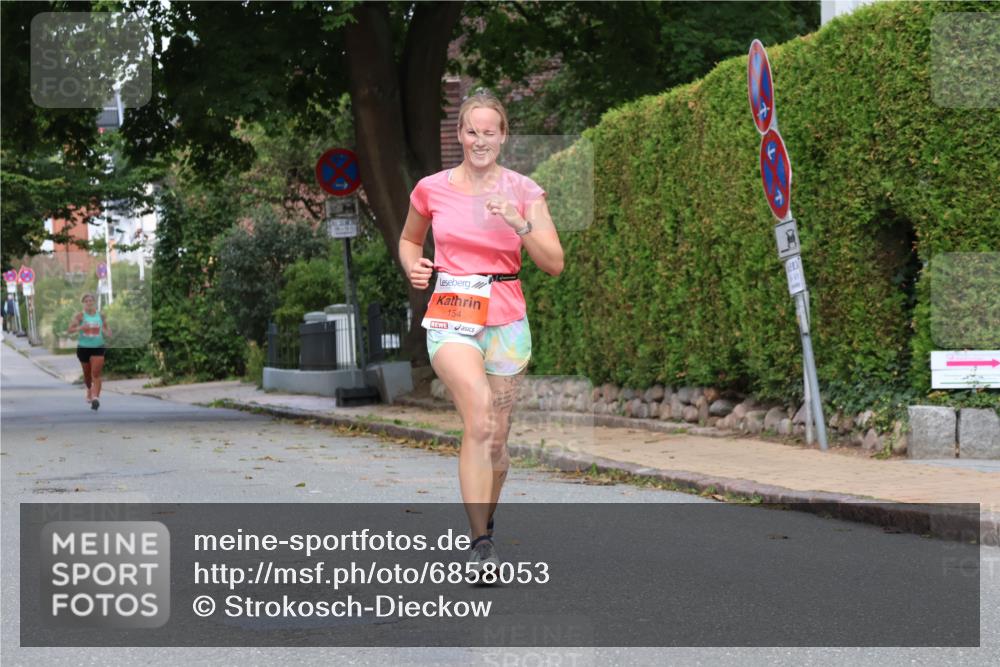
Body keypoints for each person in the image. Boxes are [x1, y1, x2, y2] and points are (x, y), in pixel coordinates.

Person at [399, 92, 564, 570]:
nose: (480, 140)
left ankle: (486, 528)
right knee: (479, 412)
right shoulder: (431, 188)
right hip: (452, 311)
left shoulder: (525, 190)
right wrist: (414, 266)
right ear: (459, 135)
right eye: (472, 131)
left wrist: (520, 223)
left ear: (503, 136)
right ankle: (478, 545)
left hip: (507, 318)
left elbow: (554, 263)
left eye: (489, 132)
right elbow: (411, 239)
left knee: (497, 438)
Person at [67, 293, 111, 410]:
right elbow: (70, 330)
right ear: (83, 303)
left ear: (94, 302)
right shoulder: (80, 316)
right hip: (83, 348)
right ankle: (89, 389)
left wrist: (108, 333)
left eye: (91, 300)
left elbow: (107, 329)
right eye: (86, 301)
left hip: (98, 346)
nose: (89, 303)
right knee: (87, 376)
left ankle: (95, 398)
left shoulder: (101, 315)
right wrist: (81, 328)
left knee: (96, 374)